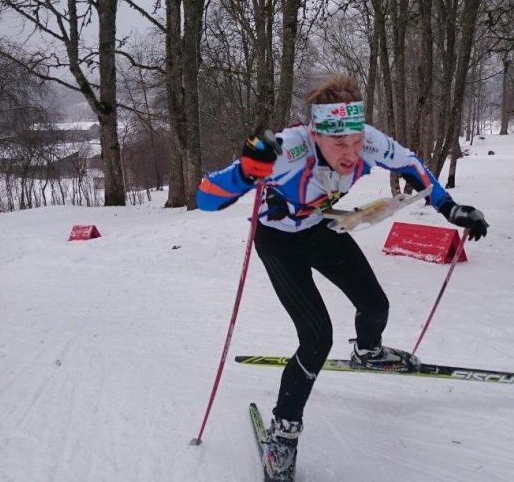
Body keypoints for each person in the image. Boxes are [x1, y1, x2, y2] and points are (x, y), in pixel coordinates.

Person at [196, 74, 488, 482]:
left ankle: (368, 351)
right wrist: (245, 174)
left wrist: (450, 208)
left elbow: (411, 165)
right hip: (279, 241)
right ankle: (283, 434)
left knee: (375, 305)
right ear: (315, 134)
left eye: (355, 142)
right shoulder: (287, 149)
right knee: (317, 338)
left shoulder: (365, 138)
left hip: (320, 228)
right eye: (339, 144)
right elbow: (205, 198)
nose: (351, 153)